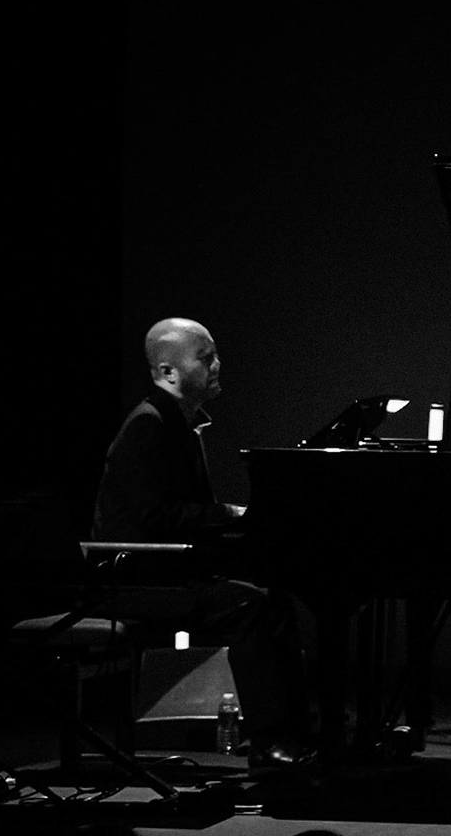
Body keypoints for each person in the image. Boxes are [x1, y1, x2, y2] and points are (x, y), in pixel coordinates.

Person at [92, 317, 315, 766]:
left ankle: (298, 731)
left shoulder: (178, 423)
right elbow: (152, 518)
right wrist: (228, 515)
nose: (217, 364)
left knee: (274, 599)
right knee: (252, 607)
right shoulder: (149, 427)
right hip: (136, 576)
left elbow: (179, 513)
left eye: (215, 355)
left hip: (165, 568)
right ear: (168, 372)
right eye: (205, 356)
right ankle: (270, 739)